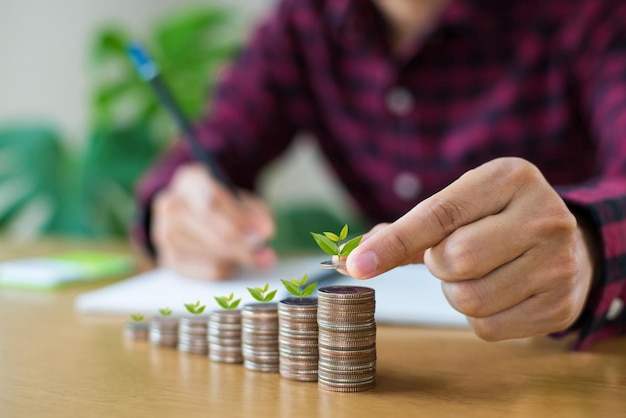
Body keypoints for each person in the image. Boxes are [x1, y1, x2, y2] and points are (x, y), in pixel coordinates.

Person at [134, 0, 626, 350]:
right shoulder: (303, 22)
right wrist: (178, 209)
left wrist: (587, 248)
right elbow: (210, 149)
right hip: (404, 353)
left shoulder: (590, 14)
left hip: (559, 362)